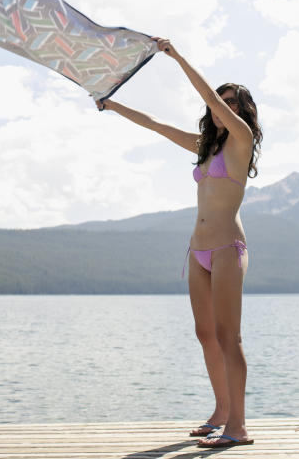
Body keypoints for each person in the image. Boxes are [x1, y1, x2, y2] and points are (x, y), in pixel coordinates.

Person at [96, 37, 263, 449]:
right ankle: (221, 411)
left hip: (227, 249)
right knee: (205, 333)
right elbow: (155, 125)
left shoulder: (240, 140)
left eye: (232, 103)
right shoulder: (205, 146)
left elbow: (207, 96)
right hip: (197, 250)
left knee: (230, 337)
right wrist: (111, 105)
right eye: (222, 101)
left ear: (243, 111)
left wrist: (176, 57)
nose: (224, 106)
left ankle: (238, 428)